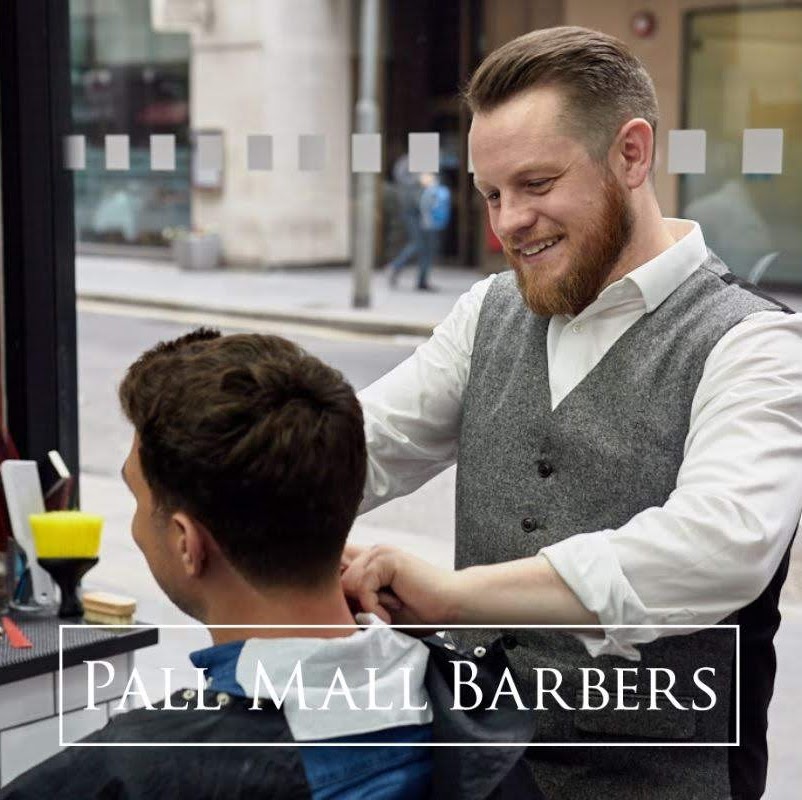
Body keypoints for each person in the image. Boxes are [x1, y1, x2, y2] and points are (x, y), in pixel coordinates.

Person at [344, 25, 802, 800]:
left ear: (631, 153)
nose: (507, 221)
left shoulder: (757, 343)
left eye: (536, 183)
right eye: (491, 193)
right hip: (483, 770)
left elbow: (719, 546)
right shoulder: (487, 312)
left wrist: (456, 597)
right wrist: (235, 475)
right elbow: (370, 440)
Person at [1, 329, 540, 800]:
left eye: (138, 499)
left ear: (188, 542)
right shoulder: (475, 710)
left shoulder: (129, 772)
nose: (137, 524)